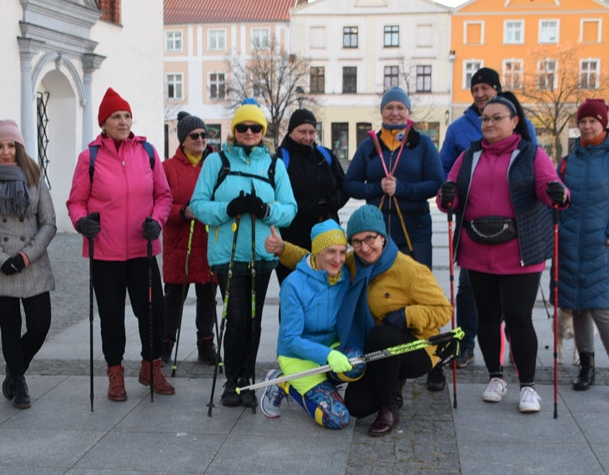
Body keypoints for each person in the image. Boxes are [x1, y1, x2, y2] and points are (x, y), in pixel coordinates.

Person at [265, 205, 452, 435]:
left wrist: (406, 315)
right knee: (357, 405)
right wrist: (283, 249)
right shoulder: (353, 262)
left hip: (414, 347)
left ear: (382, 237)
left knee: (381, 335)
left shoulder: (409, 270)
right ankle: (385, 383)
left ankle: (388, 407)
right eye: (356, 241)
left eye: (370, 239)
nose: (364, 247)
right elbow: (319, 258)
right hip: (376, 348)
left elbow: (444, 310)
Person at [438, 92, 568, 414]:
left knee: (519, 318)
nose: (490, 123)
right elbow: (447, 198)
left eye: (498, 118)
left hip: (519, 252)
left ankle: (528, 386)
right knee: (487, 318)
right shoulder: (468, 156)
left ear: (514, 122)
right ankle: (496, 377)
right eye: (485, 118)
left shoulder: (531, 154)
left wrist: (559, 194)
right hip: (476, 249)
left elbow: (549, 188)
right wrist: (447, 196)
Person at [67, 88, 174, 402]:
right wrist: (81, 222)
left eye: (127, 115)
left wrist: (158, 220)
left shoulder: (147, 152)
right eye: (116, 116)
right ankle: (115, 373)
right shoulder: (90, 157)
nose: (124, 121)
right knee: (112, 316)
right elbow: (76, 201)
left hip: (142, 249)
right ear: (104, 122)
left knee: (154, 311)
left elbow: (163, 196)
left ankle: (151, 366)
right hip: (105, 252)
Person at [189, 98, 296, 407]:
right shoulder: (216, 162)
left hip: (262, 254)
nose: (249, 132)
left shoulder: (274, 164)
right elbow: (198, 205)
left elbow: (289, 209)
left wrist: (266, 210)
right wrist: (228, 208)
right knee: (235, 317)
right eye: (242, 127)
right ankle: (232, 379)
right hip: (228, 254)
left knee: (253, 318)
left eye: (255, 127)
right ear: (234, 130)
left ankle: (247, 379)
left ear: (262, 130)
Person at [342, 86, 446, 391]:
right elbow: (351, 184)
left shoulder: (421, 143)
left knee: (420, 290)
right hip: (377, 231)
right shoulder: (370, 144)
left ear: (409, 111)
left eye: (400, 107)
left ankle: (433, 356)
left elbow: (435, 183)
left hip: (414, 227)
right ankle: (386, 356)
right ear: (382, 112)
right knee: (381, 291)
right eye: (389, 108)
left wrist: (402, 189)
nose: (395, 113)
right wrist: (376, 189)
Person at [439, 68, 538, 370]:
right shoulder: (459, 129)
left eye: (485, 88)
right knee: (471, 292)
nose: (480, 94)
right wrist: (451, 192)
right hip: (475, 228)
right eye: (475, 89)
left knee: (513, 298)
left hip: (514, 230)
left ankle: (516, 347)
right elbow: (444, 169)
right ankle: (466, 344)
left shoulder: (519, 123)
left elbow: (533, 163)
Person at [557, 99, 609, 400]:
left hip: (602, 247)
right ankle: (586, 367)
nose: (587, 126)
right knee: (577, 306)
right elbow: (559, 199)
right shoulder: (570, 160)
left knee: (601, 309)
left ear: (603, 123)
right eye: (583, 121)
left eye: (593, 120)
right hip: (571, 247)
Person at [0, 120, 57, 410]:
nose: (5, 151)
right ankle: (18, 381)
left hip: (31, 263)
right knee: (10, 327)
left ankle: (14, 366)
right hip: (0, 265)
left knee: (39, 326)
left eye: (10, 145)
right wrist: (0, 259)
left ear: (19, 146)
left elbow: (49, 223)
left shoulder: (34, 176)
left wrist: (26, 256)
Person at [261, 220, 354, 429]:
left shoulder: (344, 276)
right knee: (337, 418)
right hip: (298, 356)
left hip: (329, 348)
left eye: (342, 252)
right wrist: (328, 356)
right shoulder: (293, 284)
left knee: (358, 365)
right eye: (331, 252)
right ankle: (284, 382)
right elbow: (290, 339)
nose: (338, 259)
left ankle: (324, 385)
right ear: (316, 252)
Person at [161, 111, 217, 366]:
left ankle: (206, 344)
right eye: (194, 135)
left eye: (204, 135)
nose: (200, 139)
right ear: (183, 139)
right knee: (173, 300)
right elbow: (161, 205)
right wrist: (183, 211)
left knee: (207, 298)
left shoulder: (215, 165)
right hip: (180, 245)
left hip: (208, 245)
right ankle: (165, 344)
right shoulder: (167, 168)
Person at [274, 108, 348, 285]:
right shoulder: (281, 158)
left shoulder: (325, 155)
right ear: (290, 131)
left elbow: (344, 185)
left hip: (327, 235)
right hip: (294, 236)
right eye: (302, 132)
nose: (307, 137)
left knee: (327, 291)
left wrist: (334, 203)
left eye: (312, 132)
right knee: (295, 291)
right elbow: (276, 199)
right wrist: (308, 208)